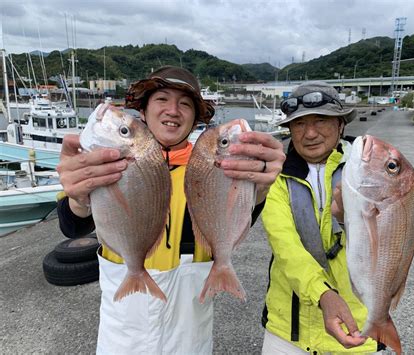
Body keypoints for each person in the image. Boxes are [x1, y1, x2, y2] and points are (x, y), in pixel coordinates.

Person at [56, 66, 286, 354]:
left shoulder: (211, 168)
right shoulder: (105, 163)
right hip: (122, 330)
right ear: (144, 109)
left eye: (185, 104)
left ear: (195, 118)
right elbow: (73, 227)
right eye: (162, 99)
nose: (173, 110)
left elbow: (234, 219)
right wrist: (78, 198)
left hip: (190, 331)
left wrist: (259, 187)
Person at [260, 81, 385, 354]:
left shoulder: (368, 169)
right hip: (287, 330)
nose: (310, 133)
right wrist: (324, 295)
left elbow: (388, 241)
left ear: (341, 124)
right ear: (289, 130)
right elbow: (285, 247)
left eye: (321, 121)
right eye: (299, 124)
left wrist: (348, 223)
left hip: (359, 326)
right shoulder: (274, 174)